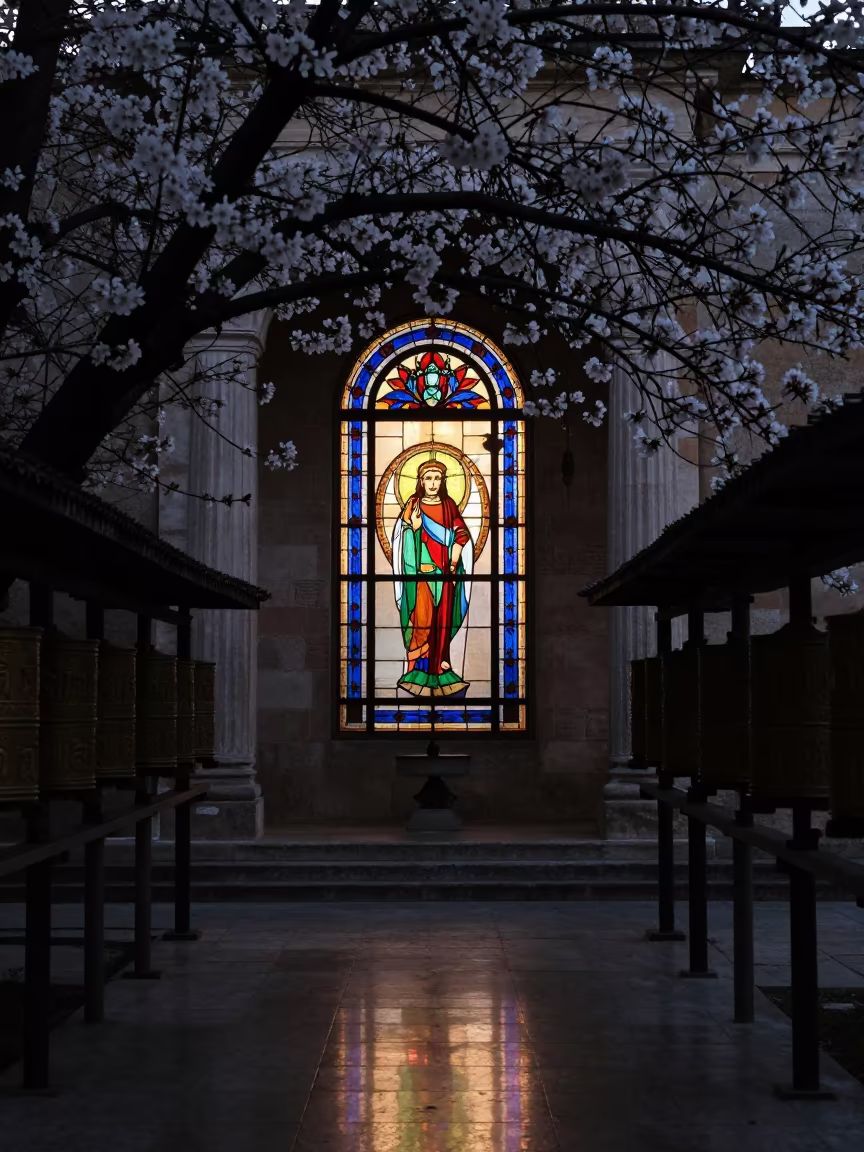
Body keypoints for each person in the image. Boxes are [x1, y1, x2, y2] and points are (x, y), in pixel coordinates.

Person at [392, 458, 472, 697]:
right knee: (422, 620)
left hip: (445, 575)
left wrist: (453, 564)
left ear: (443, 481)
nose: (433, 483)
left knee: (441, 621)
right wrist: (415, 529)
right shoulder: (413, 505)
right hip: (420, 577)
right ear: (420, 481)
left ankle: (439, 666)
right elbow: (402, 537)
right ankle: (418, 669)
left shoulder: (449, 506)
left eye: (437, 478)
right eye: (428, 478)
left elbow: (462, 535)